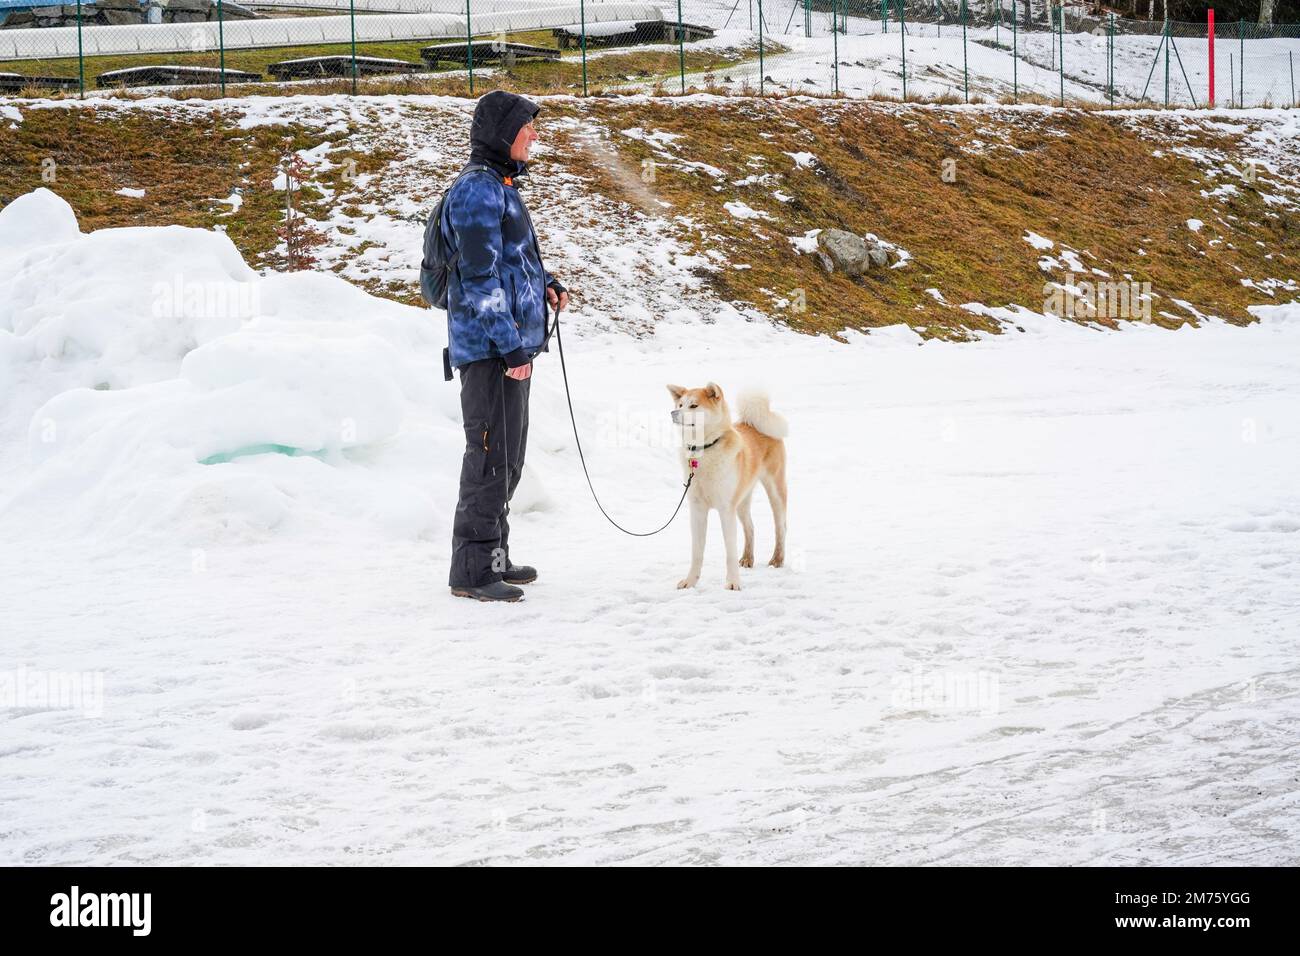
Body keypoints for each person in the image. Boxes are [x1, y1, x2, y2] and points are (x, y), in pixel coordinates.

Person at [441, 91, 569, 603]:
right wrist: (511, 347)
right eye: (526, 127)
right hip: (491, 351)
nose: (535, 134)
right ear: (501, 134)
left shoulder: (502, 187)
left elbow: (512, 262)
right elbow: (478, 278)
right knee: (488, 458)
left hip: (510, 350)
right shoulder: (476, 191)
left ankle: (495, 556)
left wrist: (548, 283)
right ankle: (471, 572)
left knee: (509, 460)